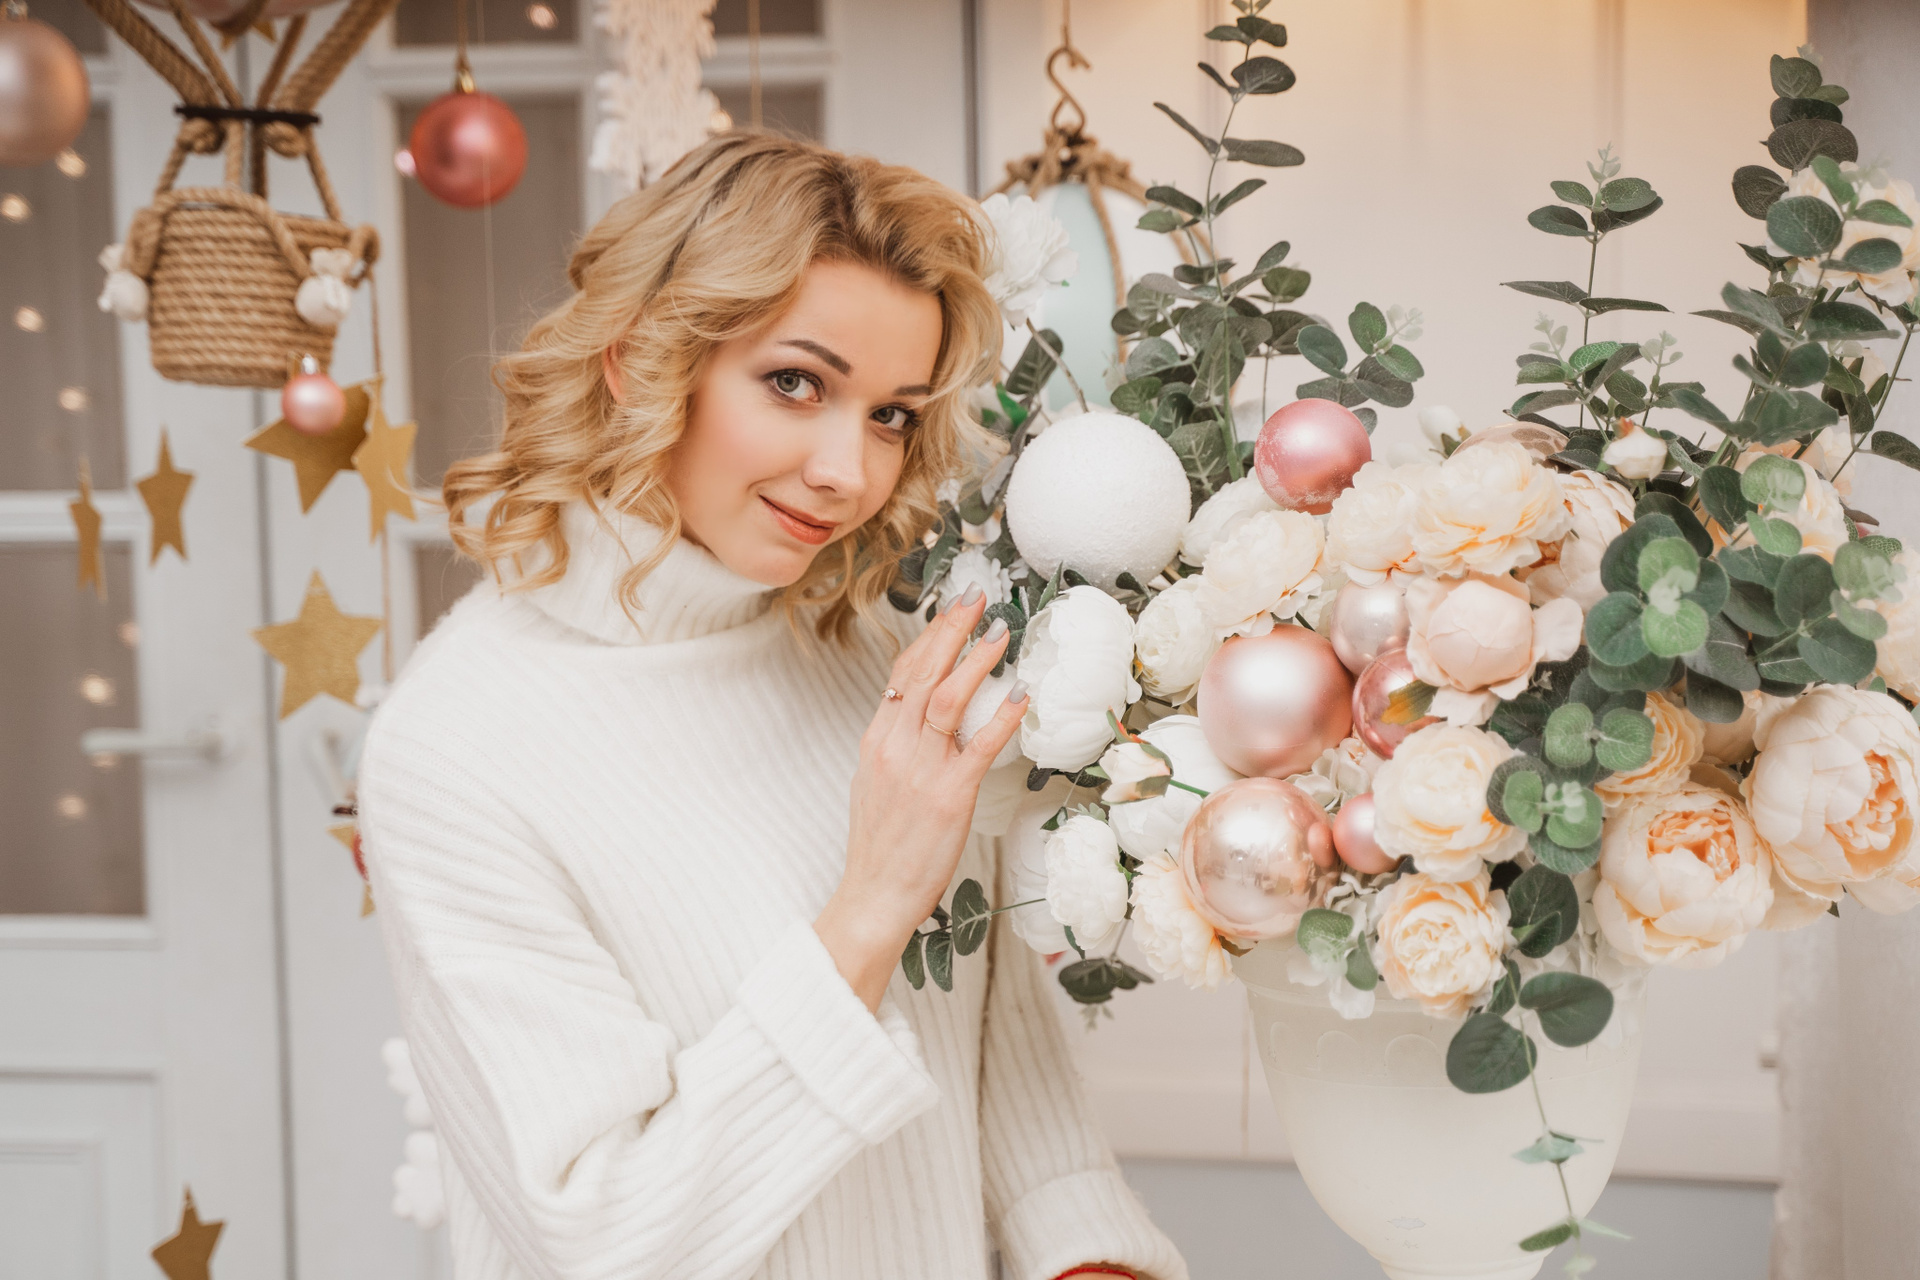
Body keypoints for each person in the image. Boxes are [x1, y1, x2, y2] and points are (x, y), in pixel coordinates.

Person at [356, 131, 1187, 1280]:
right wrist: (871, 904)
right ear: (639, 358)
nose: (849, 470)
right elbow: (605, 1234)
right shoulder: (455, 750)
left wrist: (1091, 1255)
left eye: (892, 414)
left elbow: (996, 1048)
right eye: (797, 383)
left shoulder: (873, 651)